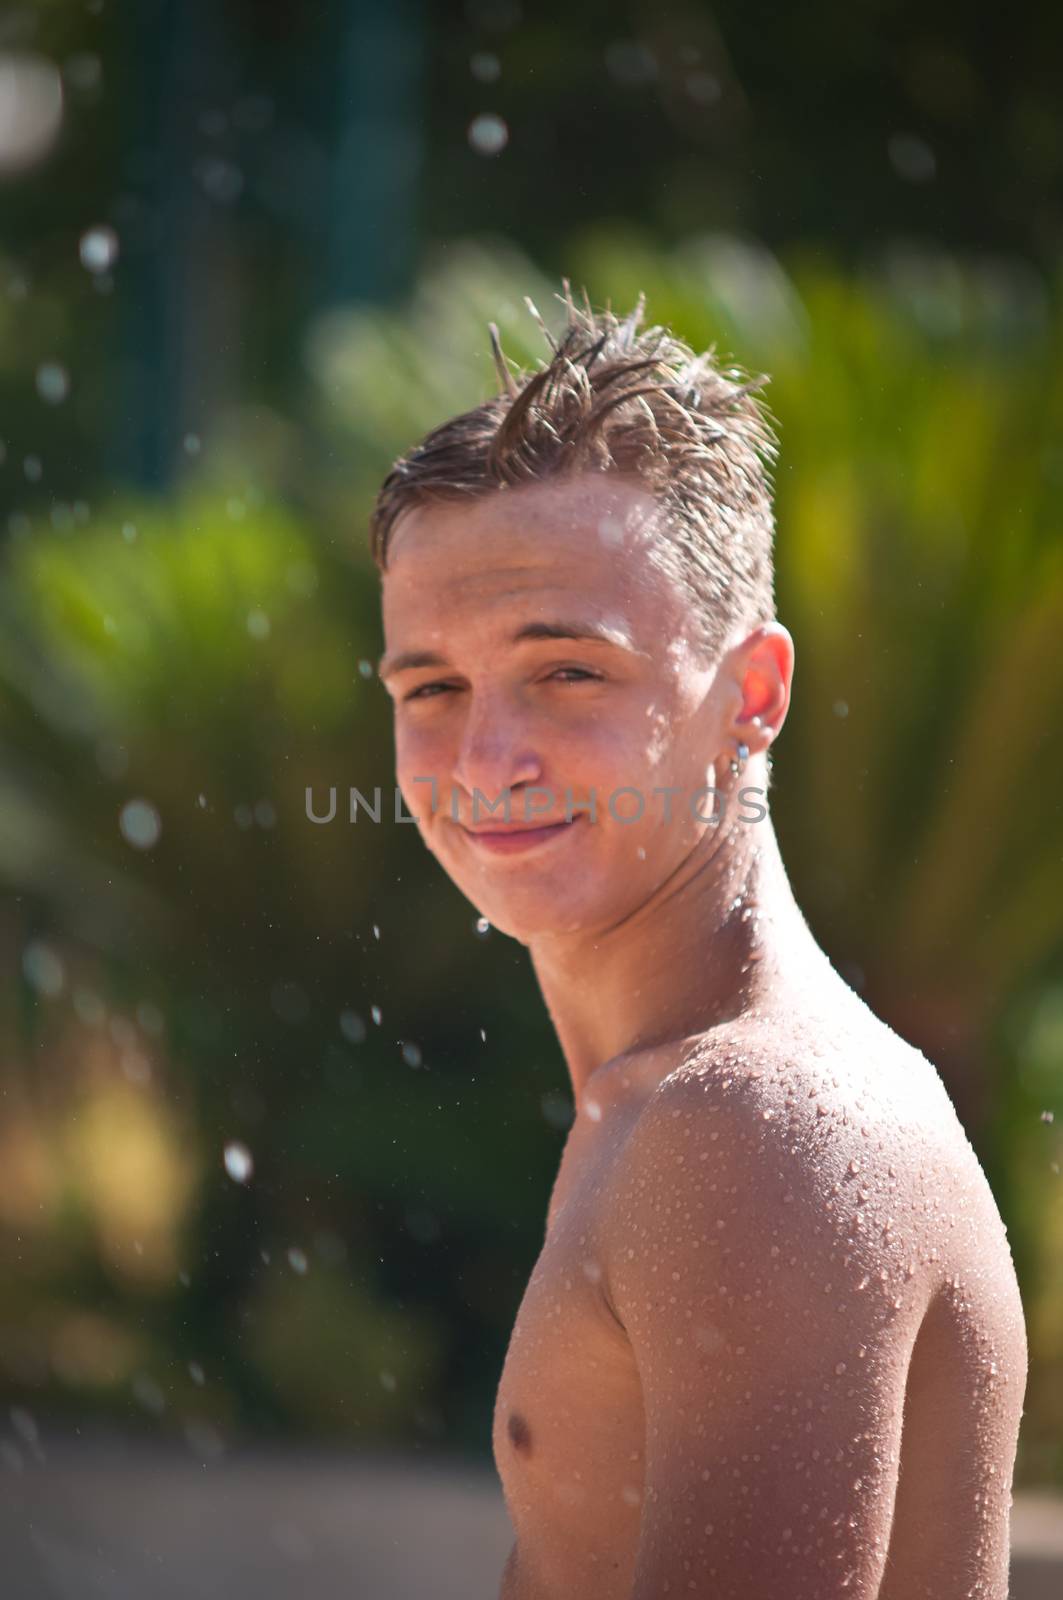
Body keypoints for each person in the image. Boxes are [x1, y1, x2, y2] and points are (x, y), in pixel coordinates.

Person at [369, 285, 1028, 1600]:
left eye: (567, 669)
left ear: (755, 693)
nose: (486, 757)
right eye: (431, 687)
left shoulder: (759, 1132)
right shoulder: (674, 1105)